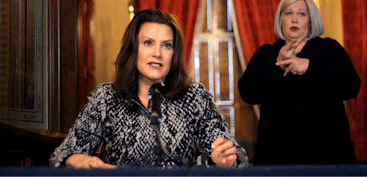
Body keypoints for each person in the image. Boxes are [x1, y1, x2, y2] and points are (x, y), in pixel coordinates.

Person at [50, 9, 249, 169]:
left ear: (174, 53)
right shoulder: (105, 98)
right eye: (148, 43)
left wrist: (225, 158)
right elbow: (61, 155)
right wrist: (76, 159)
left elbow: (238, 156)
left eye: (167, 46)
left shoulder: (194, 97)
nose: (157, 53)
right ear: (133, 48)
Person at [238, 0, 360, 165]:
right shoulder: (267, 53)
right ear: (281, 19)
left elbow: (351, 87)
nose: (294, 19)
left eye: (301, 14)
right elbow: (248, 93)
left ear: (311, 20)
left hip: (327, 156)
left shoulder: (329, 49)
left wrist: (310, 66)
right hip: (277, 157)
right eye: (289, 13)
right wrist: (277, 64)